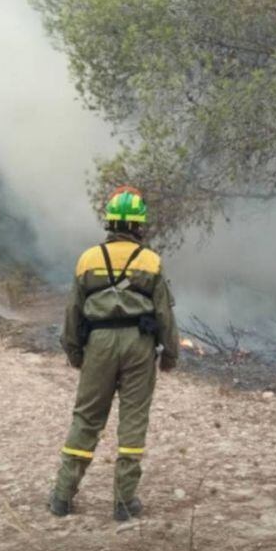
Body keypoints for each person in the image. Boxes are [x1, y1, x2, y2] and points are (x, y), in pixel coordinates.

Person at [50, 186, 179, 521]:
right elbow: (165, 313)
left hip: (99, 344)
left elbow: (72, 311)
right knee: (133, 420)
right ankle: (124, 502)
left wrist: (74, 352)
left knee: (87, 418)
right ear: (139, 225)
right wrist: (170, 356)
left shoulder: (88, 259)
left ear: (109, 223)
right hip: (139, 345)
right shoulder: (151, 261)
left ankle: (62, 497)